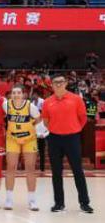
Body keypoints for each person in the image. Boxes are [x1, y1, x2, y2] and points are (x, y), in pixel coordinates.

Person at [42, 74, 92, 213]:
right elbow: (45, 121)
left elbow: (83, 118)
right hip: (54, 139)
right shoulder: (47, 102)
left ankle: (84, 203)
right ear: (51, 85)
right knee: (56, 172)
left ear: (66, 83)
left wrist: (73, 129)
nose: (58, 84)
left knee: (78, 170)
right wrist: (56, 129)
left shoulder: (76, 99)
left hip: (72, 139)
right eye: (55, 82)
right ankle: (59, 203)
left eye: (61, 81)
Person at [4, 85, 41, 211]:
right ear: (11, 95)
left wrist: (31, 126)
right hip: (12, 139)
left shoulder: (30, 106)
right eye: (14, 93)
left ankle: (32, 200)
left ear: (23, 94)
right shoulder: (6, 105)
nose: (16, 95)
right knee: (10, 167)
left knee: (30, 168)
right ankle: (9, 200)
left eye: (18, 93)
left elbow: (38, 118)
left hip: (29, 139)